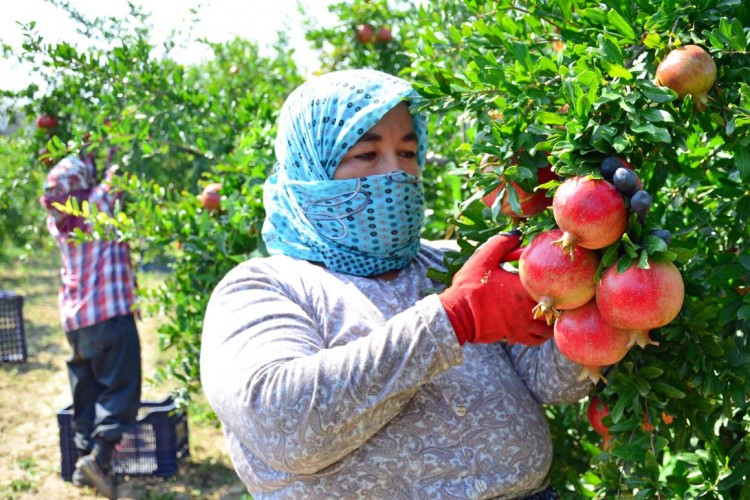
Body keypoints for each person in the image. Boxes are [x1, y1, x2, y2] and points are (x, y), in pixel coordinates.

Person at [200, 68, 593, 499]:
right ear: (309, 164)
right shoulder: (263, 287)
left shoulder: (451, 262)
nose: (395, 174)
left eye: (407, 154)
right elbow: (281, 424)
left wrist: (586, 259)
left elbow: (555, 385)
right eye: (367, 156)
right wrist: (452, 320)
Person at [41, 152, 141, 500]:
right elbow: (118, 169)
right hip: (109, 313)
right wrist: (109, 146)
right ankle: (99, 458)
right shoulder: (98, 203)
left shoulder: (60, 220)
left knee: (87, 390)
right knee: (120, 388)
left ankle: (84, 460)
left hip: (75, 321)